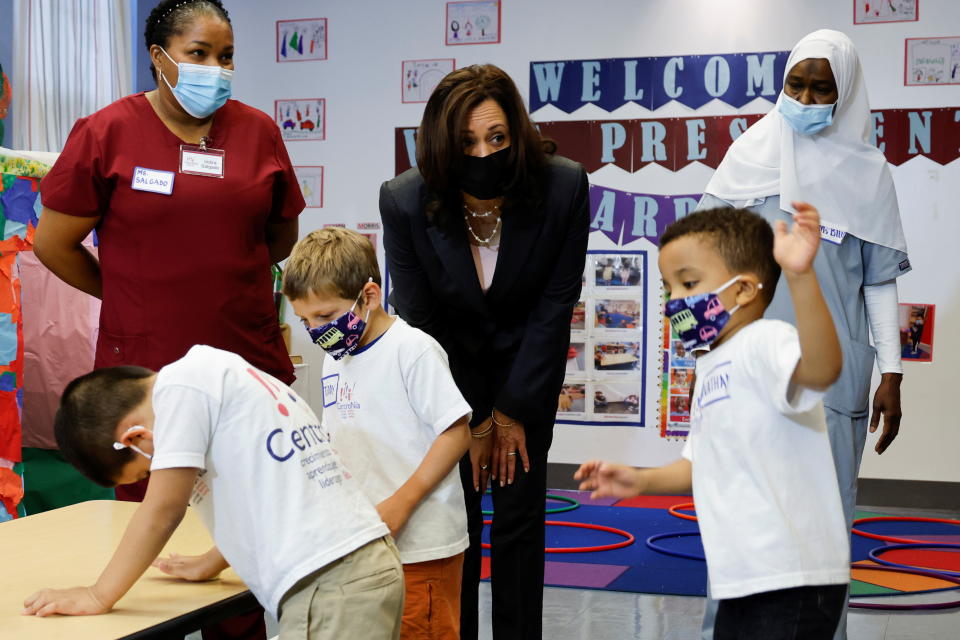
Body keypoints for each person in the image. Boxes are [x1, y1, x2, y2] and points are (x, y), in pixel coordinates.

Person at [34, 0, 303, 508]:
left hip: (244, 349)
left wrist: (222, 277)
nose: (216, 69)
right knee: (155, 513)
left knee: (258, 505)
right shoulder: (107, 131)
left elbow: (281, 236)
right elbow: (52, 243)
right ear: (160, 56)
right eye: (199, 53)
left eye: (226, 56)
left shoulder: (258, 131)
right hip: (146, 362)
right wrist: (123, 289)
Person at [696, 30, 910, 638]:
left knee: (822, 533)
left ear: (845, 95)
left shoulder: (870, 176)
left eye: (823, 88)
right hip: (750, 383)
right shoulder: (746, 158)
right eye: (796, 84)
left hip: (834, 383)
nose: (807, 97)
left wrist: (891, 374)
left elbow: (878, 284)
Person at [379, 64, 589, 639]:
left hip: (528, 375)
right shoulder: (404, 200)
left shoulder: (563, 184)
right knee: (456, 523)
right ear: (443, 145)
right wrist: (468, 422)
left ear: (516, 133)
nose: (484, 151)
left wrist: (512, 412)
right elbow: (422, 321)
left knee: (520, 522)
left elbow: (554, 306)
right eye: (468, 141)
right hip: (450, 384)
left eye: (497, 137)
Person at [577, 204, 849, 640]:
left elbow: (821, 369)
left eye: (688, 283)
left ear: (742, 290)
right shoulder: (709, 365)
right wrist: (641, 481)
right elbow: (702, 461)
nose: (676, 300)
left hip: (791, 574)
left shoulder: (765, 340)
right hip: (738, 578)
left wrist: (800, 276)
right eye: (669, 287)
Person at [21, 345, 404, 639]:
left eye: (146, 467)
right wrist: (213, 560)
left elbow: (162, 511)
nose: (157, 473)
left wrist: (98, 595)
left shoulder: (181, 390)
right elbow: (270, 494)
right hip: (355, 569)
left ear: (134, 437)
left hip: (332, 583)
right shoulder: (216, 376)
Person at [282, 227, 473, 640]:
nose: (316, 330)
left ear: (368, 296)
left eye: (326, 316)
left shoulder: (412, 350)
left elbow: (456, 434)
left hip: (422, 546)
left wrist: (401, 504)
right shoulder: (338, 357)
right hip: (365, 543)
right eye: (305, 320)